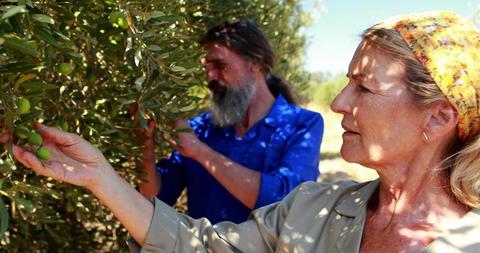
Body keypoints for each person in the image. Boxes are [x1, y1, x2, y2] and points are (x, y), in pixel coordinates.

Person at [9, 10, 480, 252]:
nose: (339, 102)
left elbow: (274, 191)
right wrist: (102, 175)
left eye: (363, 87)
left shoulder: (300, 128)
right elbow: (190, 234)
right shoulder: (315, 211)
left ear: (438, 117)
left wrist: (198, 154)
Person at [135, 20, 324, 224]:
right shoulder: (201, 129)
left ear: (255, 63)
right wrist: (145, 149)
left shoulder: (303, 124)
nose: (210, 77)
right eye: (206, 68)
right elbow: (154, 201)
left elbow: (287, 204)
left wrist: (200, 152)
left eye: (219, 65)